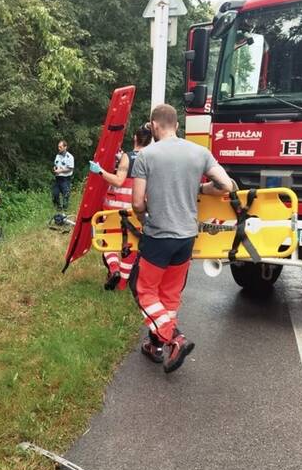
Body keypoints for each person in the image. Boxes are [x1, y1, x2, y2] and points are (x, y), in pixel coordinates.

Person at [130, 103, 236, 373]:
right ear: (177, 125)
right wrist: (199, 188)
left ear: (153, 126)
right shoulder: (200, 152)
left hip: (158, 236)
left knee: (142, 289)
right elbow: (227, 185)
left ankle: (174, 338)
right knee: (169, 294)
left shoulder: (146, 156)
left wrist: (146, 216)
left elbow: (137, 204)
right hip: (187, 237)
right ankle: (155, 346)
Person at [90, 125, 153, 291]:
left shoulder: (129, 156)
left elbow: (118, 180)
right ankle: (123, 284)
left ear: (135, 138)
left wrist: (100, 171)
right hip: (138, 208)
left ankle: (114, 270)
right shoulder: (153, 158)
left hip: (117, 208)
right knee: (131, 245)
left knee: (109, 241)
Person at [52, 140, 74, 212]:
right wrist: (55, 168)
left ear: (65, 147)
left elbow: (70, 169)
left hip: (66, 179)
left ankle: (65, 211)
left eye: (60, 147)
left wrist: (61, 171)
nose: (59, 148)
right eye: (58, 147)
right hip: (58, 178)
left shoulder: (70, 157)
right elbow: (55, 164)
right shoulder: (57, 155)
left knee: (65, 195)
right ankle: (58, 209)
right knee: (55, 194)